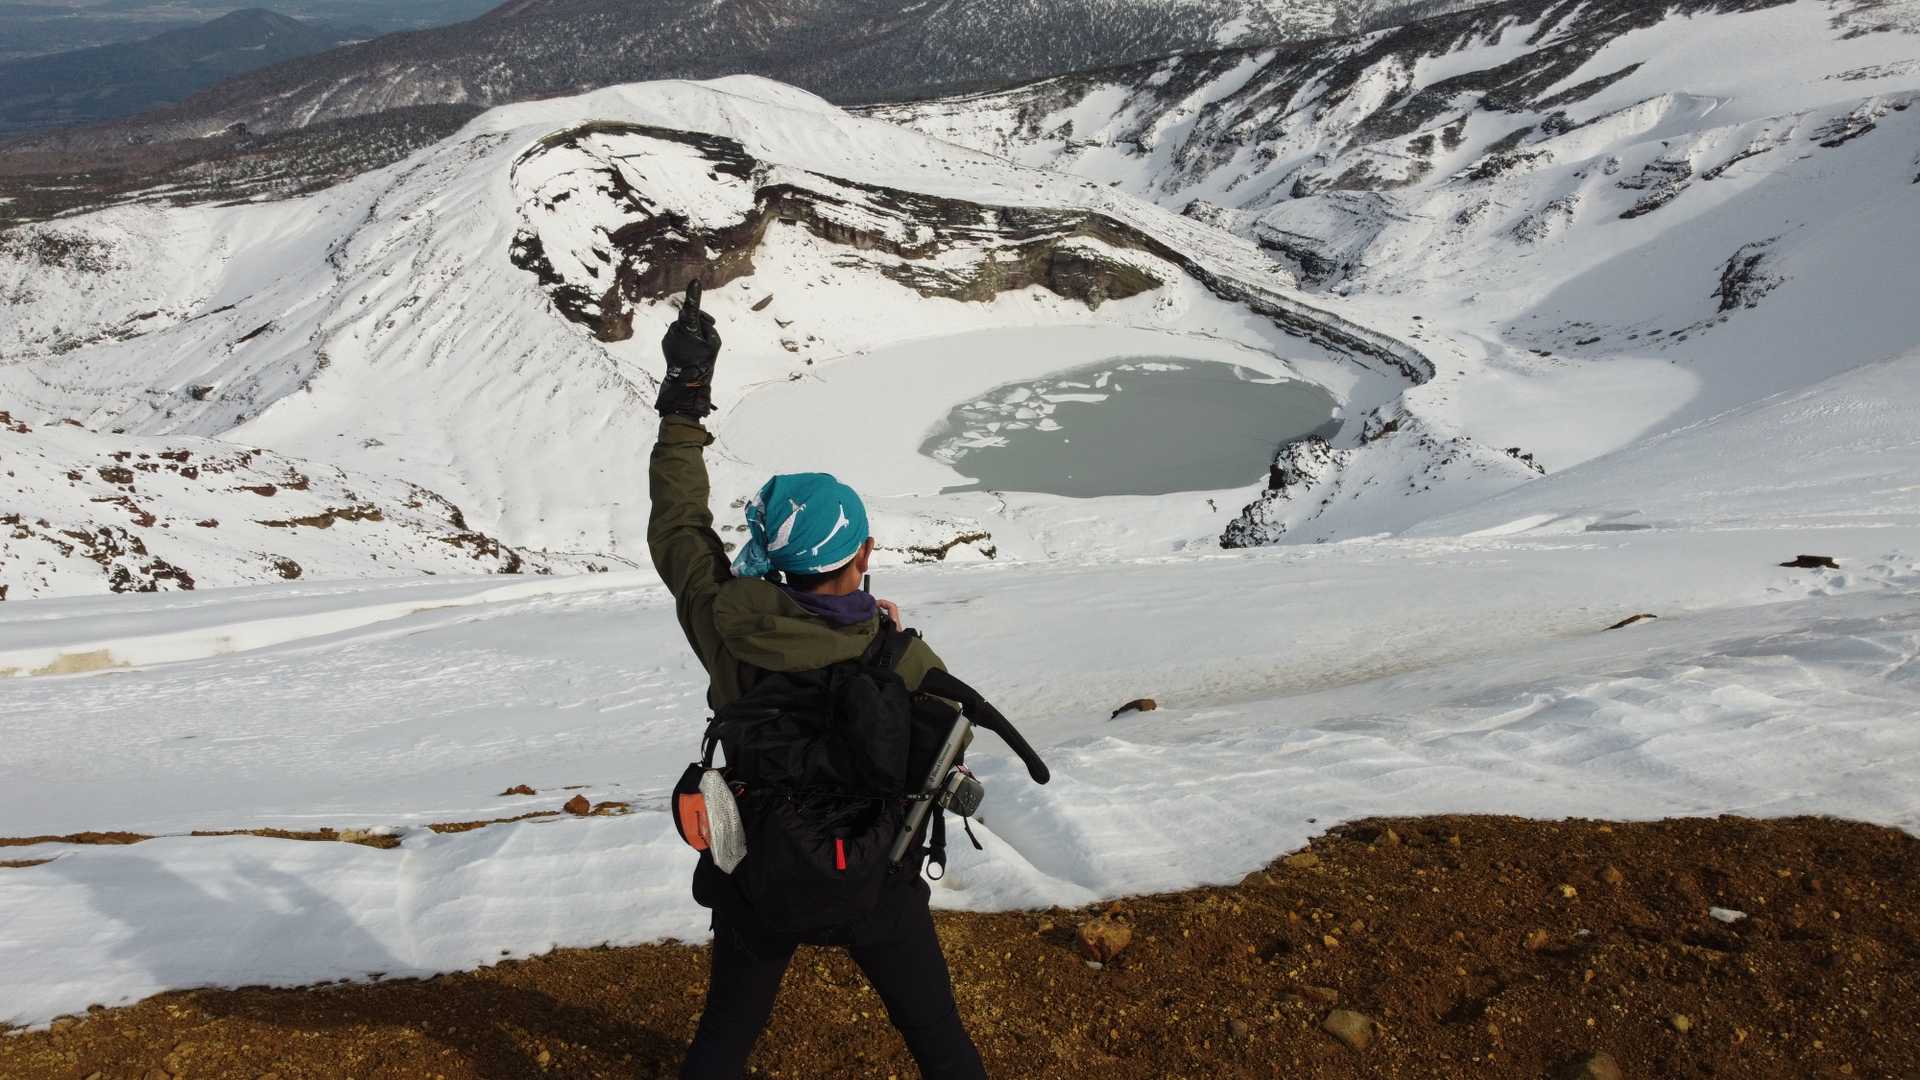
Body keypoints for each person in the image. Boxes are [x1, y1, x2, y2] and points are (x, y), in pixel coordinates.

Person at [649, 293, 989, 1080]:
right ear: (864, 553)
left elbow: (677, 525)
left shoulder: (729, 631)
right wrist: (888, 640)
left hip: (758, 878)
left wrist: (685, 400)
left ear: (775, 559)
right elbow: (944, 742)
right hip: (878, 884)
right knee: (939, 1040)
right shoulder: (903, 658)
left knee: (724, 1040)